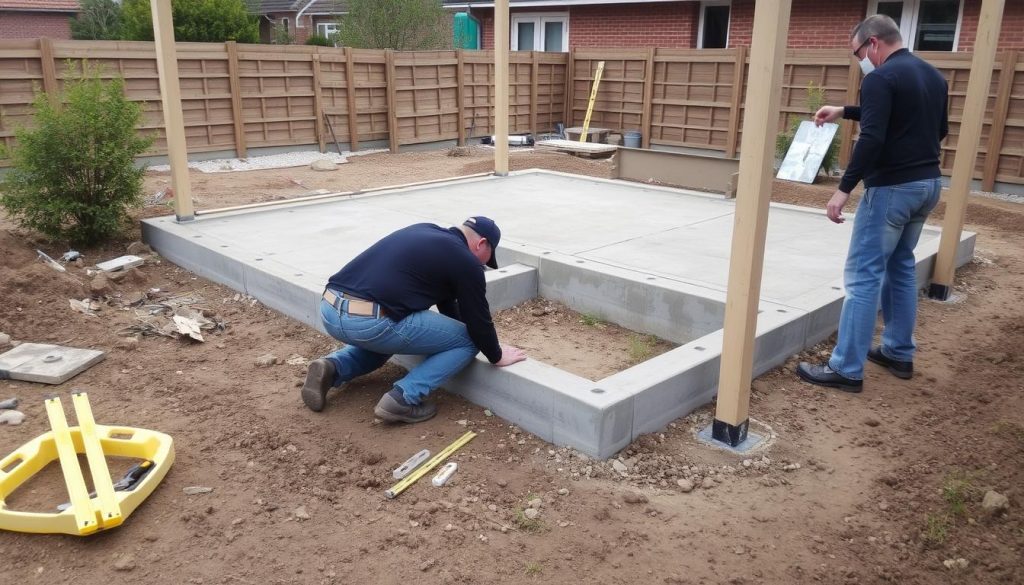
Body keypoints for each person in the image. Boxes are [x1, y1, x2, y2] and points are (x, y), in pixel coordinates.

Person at [796, 14, 948, 393]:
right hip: (928, 184)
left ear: (874, 43)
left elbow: (874, 136)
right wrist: (845, 110)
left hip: (892, 189)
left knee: (864, 276)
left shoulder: (880, 78)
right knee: (901, 266)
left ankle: (846, 368)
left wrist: (844, 188)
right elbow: (933, 128)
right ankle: (898, 351)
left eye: (858, 53)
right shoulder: (933, 76)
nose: (860, 61)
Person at [302, 216, 527, 422]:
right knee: (470, 341)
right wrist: (496, 354)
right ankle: (403, 399)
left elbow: (448, 303)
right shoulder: (466, 261)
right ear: (482, 243)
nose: (484, 265)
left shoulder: (425, 231)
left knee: (389, 336)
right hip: (370, 321)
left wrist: (459, 332)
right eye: (487, 258)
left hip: (330, 309)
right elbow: (477, 319)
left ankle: (332, 367)